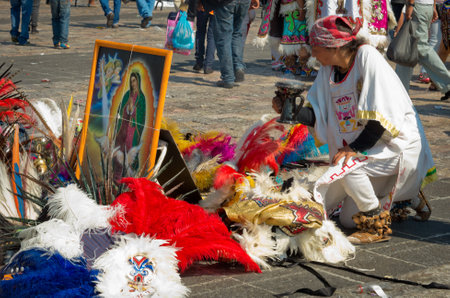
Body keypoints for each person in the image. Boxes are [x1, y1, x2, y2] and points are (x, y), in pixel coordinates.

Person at [272, 16, 436, 244]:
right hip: (366, 152)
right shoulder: (328, 70)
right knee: (349, 220)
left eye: (315, 46)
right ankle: (401, 197)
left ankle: (376, 225)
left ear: (335, 46)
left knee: (345, 165)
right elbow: (320, 116)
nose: (311, 52)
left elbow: (381, 117)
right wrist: (289, 110)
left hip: (396, 145)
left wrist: (353, 148)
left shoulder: (367, 57)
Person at [395, 0, 450, 99]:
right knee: (409, 48)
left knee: (420, 47)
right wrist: (432, 6)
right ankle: (400, 90)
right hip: (424, 6)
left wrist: (410, 5)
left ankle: (447, 82)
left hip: (418, 6)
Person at [207, 0, 260, 88]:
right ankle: (238, 67)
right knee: (237, 32)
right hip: (244, 2)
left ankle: (228, 77)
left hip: (226, 3)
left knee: (224, 37)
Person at [113, 72, 146, 180]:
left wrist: (134, 109)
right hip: (124, 126)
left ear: (138, 81)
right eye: (131, 81)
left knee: (130, 149)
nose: (132, 84)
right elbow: (121, 109)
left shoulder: (141, 98)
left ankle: (131, 177)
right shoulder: (127, 94)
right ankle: (117, 175)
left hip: (133, 129)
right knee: (119, 148)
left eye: (134, 81)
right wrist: (127, 107)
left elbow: (141, 114)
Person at [188, 0, 216, 74]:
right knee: (212, 35)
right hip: (215, 7)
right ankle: (208, 65)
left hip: (202, 6)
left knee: (200, 32)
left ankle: (199, 62)